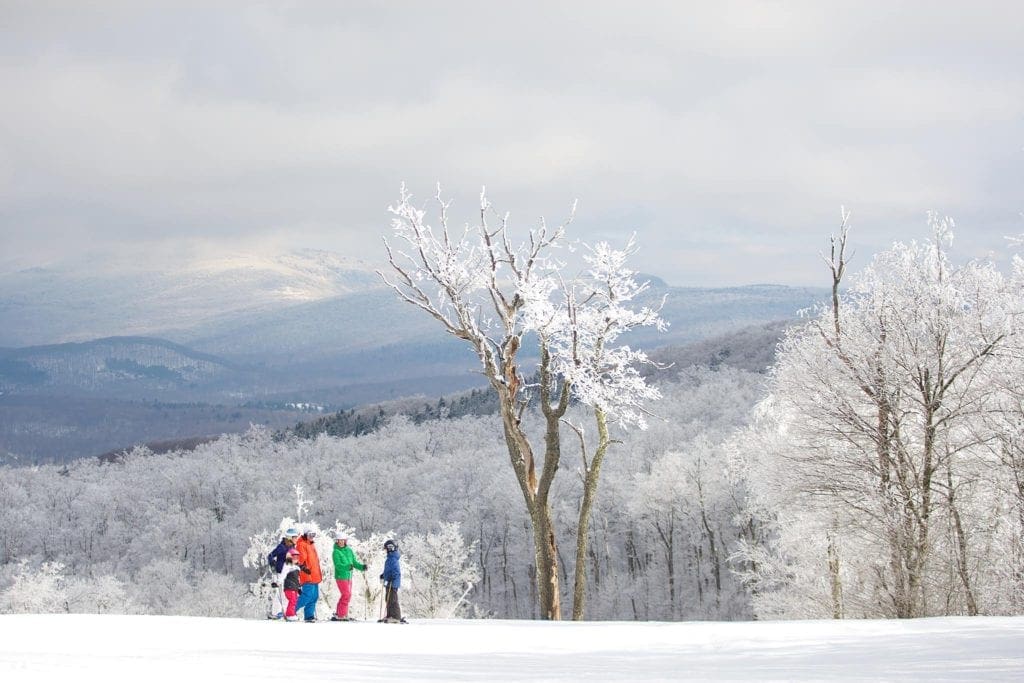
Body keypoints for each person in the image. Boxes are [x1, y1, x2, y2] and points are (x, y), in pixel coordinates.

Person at [330, 531, 366, 621]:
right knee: (346, 594)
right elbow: (338, 565)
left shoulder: (349, 550)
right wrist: (347, 567)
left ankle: (340, 613)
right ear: (337, 541)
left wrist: (362, 567)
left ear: (345, 541)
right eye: (340, 540)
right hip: (340, 576)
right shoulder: (336, 552)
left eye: (343, 540)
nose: (341, 542)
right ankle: (341, 615)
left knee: (347, 595)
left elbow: (354, 563)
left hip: (349, 577)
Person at [266, 528, 299, 619]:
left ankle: (281, 612)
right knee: (280, 593)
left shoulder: (292, 547)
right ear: (289, 537)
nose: (296, 539)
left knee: (285, 593)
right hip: (280, 572)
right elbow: (270, 555)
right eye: (295, 537)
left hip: (288, 573)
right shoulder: (282, 547)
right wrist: (272, 563)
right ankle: (275, 613)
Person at [293, 528, 322, 622]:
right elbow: (300, 560)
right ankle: (291, 611)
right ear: (305, 535)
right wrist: (303, 568)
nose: (311, 537)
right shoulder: (301, 544)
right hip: (307, 574)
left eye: (313, 535)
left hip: (315, 575)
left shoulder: (311, 545)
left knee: (314, 596)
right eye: (310, 535)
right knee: (307, 595)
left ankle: (309, 615)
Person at [379, 539, 406, 624]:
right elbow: (388, 570)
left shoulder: (393, 559)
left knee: (393, 600)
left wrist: (392, 579)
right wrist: (383, 575)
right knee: (388, 599)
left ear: (390, 548)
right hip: (389, 582)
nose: (385, 550)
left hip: (393, 583)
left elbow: (396, 572)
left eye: (386, 548)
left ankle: (396, 617)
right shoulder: (390, 558)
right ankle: (389, 616)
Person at [281, 548, 302, 621]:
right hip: (289, 587)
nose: (296, 559)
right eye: (294, 557)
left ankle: (290, 614)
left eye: (297, 557)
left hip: (295, 587)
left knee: (294, 600)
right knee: (292, 600)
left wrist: (299, 588)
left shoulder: (296, 567)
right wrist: (277, 582)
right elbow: (282, 575)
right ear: (289, 557)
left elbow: (297, 579)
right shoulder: (287, 566)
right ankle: (290, 615)